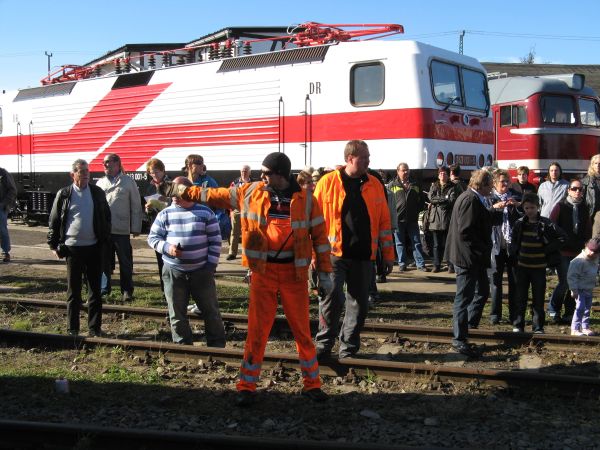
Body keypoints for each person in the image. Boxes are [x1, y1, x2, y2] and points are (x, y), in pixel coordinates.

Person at [160, 152, 332, 406]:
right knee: (257, 332)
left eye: (267, 173)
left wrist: (325, 273)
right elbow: (211, 195)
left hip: (293, 275)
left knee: (303, 333)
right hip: (264, 273)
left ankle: (312, 384)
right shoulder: (251, 191)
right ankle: (246, 385)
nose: (261, 177)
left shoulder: (307, 200)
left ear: (281, 175)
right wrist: (178, 190)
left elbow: (320, 238)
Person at [314, 140, 394, 359]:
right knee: (332, 300)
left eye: (368, 157)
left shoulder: (375, 184)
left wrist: (388, 256)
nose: (369, 161)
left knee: (359, 305)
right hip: (333, 255)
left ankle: (348, 348)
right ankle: (324, 344)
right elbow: (313, 222)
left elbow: (384, 223)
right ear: (350, 158)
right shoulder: (327, 183)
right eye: (364, 157)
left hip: (363, 256)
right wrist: (313, 255)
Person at [147, 176, 225, 346]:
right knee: (176, 313)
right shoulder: (165, 213)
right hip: (174, 271)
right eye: (171, 190)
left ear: (189, 192)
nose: (172, 193)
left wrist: (210, 266)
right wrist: (168, 248)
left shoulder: (206, 213)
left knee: (210, 311)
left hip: (201, 271)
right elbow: (153, 238)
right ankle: (183, 345)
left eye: (177, 190)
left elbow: (215, 241)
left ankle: (217, 344)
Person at [47, 159, 111, 336]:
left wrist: (104, 240)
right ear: (72, 174)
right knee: (74, 292)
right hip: (72, 249)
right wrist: (53, 245)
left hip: (94, 247)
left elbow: (106, 217)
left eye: (87, 170)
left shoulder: (97, 192)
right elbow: (54, 220)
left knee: (95, 292)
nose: (84, 174)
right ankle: (73, 329)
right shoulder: (64, 194)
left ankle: (94, 328)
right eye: (80, 171)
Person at [446, 169, 494, 357]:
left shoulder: (472, 198)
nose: (492, 188)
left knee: (482, 291)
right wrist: (482, 247)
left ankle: (468, 325)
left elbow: (476, 222)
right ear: (482, 185)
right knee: (463, 298)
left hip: (473, 257)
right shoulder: (470, 200)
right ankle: (459, 339)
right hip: (468, 257)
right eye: (490, 185)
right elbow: (465, 230)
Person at [509, 193, 566, 334]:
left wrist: (546, 248)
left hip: (539, 268)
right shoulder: (519, 223)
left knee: (538, 300)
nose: (529, 211)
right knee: (520, 298)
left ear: (538, 207)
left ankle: (538, 327)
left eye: (532, 208)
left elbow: (563, 237)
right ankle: (518, 324)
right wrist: (514, 254)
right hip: (522, 267)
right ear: (523, 208)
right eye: (527, 208)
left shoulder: (546, 224)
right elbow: (513, 241)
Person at [96, 153, 142, 301]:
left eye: (107, 162)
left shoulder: (128, 182)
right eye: (103, 163)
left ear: (117, 164)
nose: (104, 165)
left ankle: (127, 291)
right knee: (103, 262)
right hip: (104, 231)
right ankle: (104, 290)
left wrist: (136, 227)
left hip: (121, 230)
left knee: (125, 262)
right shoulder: (100, 183)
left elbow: (136, 206)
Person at [548, 179, 592, 324]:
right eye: (574, 189)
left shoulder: (585, 208)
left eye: (580, 189)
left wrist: (587, 244)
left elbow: (587, 228)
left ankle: (569, 312)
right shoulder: (561, 206)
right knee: (565, 282)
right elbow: (551, 224)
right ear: (569, 190)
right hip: (563, 251)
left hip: (578, 251)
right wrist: (558, 241)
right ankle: (553, 309)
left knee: (576, 284)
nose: (577, 191)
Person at [488, 169, 522, 326]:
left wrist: (518, 206)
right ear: (495, 183)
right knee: (496, 281)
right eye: (503, 181)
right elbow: (485, 218)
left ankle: (514, 315)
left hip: (512, 246)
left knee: (515, 282)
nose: (506, 184)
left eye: (507, 181)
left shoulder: (514, 196)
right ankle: (495, 314)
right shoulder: (489, 198)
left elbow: (525, 216)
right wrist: (494, 208)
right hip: (496, 246)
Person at [387, 162, 430, 272]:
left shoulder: (415, 184)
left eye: (407, 170)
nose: (406, 172)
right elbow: (389, 202)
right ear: (398, 171)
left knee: (416, 242)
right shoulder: (392, 185)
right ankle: (402, 264)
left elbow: (421, 200)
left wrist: (417, 210)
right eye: (403, 170)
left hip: (412, 219)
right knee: (399, 242)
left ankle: (420, 264)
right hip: (398, 219)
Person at [144, 158, 171, 300]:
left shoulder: (171, 184)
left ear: (163, 170)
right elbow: (147, 208)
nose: (154, 175)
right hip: (156, 226)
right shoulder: (149, 187)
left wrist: (166, 201)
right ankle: (164, 289)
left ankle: (174, 288)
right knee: (160, 260)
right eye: (151, 173)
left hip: (171, 227)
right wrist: (148, 209)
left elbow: (177, 201)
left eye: (156, 172)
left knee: (171, 260)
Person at [427, 166, 458, 273]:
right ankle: (437, 265)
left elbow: (452, 200)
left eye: (444, 173)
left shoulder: (452, 187)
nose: (442, 175)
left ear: (448, 175)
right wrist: (444, 198)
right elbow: (431, 198)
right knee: (436, 245)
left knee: (448, 244)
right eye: (440, 173)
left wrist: (438, 200)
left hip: (447, 219)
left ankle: (450, 265)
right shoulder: (434, 186)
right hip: (435, 219)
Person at [567, 238, 600, 336]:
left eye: (595, 252)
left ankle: (585, 327)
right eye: (590, 250)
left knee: (587, 308)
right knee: (580, 307)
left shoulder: (595, 259)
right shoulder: (578, 261)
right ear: (586, 247)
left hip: (588, 288)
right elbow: (571, 276)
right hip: (579, 288)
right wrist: (573, 289)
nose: (592, 253)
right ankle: (575, 328)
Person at [227, 164, 253, 260]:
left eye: (246, 171)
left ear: (250, 172)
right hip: (237, 210)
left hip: (250, 211)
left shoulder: (254, 183)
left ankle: (246, 253)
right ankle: (232, 253)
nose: (243, 173)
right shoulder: (234, 183)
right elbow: (229, 197)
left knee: (248, 232)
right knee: (234, 232)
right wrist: (231, 211)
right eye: (242, 171)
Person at [0, 166, 17, 262]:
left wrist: (4, 204)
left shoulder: (3, 173)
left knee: (2, 230)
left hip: (1, 207)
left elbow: (12, 190)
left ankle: (5, 252)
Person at [581, 154, 600, 237]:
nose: (598, 165)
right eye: (596, 163)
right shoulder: (585, 182)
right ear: (592, 165)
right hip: (591, 216)